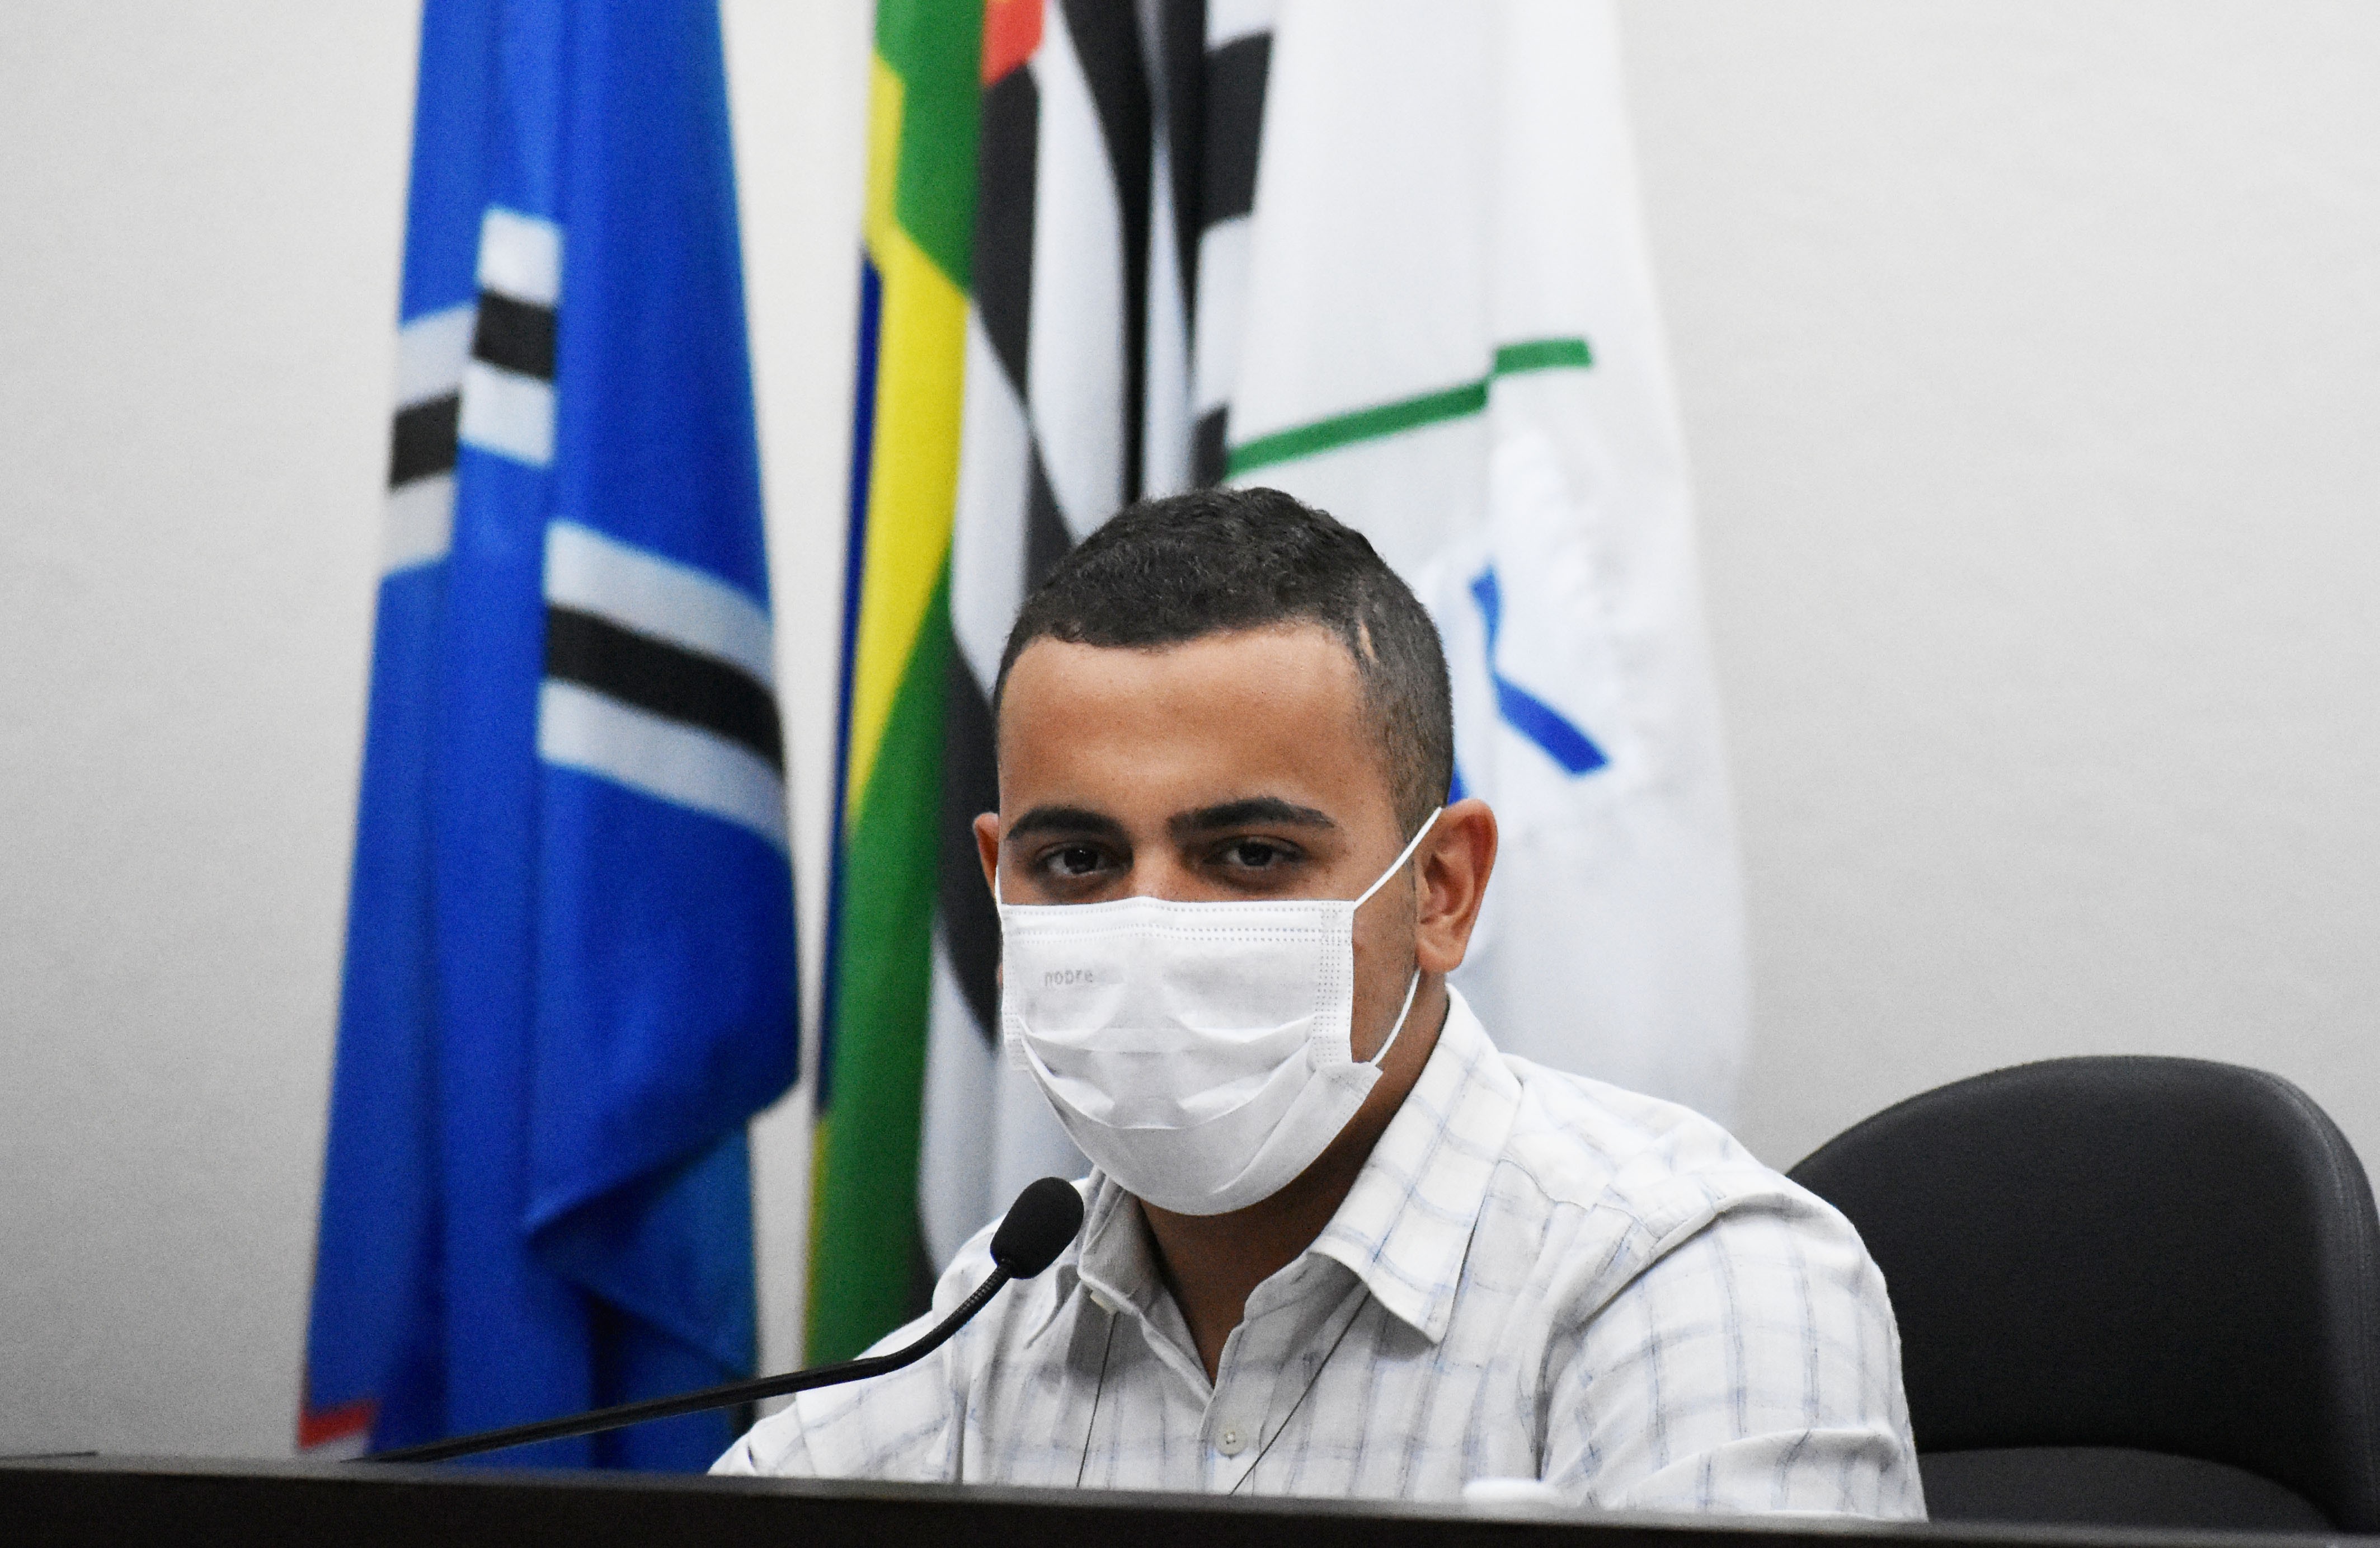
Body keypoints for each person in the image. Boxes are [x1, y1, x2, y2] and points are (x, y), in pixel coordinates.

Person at [717, 488, 1922, 1513]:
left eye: (1249, 854)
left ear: (1441, 888)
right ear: (997, 883)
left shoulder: (1691, 1280)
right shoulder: (992, 1321)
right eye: (1078, 860)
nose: (1153, 925)